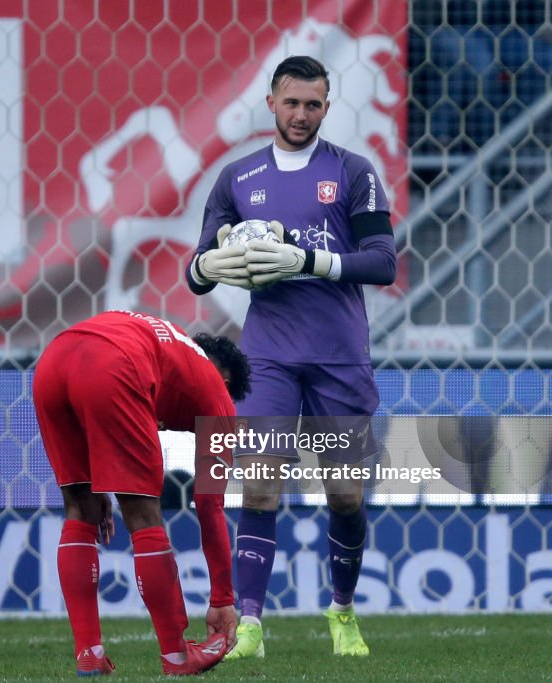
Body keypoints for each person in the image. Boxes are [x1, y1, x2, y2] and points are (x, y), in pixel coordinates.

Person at [186, 55, 398, 659]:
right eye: (291, 102)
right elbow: (198, 268)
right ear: (271, 102)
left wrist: (308, 261)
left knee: (346, 497)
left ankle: (343, 611)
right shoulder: (236, 178)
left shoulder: (354, 172)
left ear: (327, 108)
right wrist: (205, 265)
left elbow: (383, 261)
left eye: (313, 104)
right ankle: (249, 624)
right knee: (258, 488)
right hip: (267, 357)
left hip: (338, 356)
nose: (301, 114)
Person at [33, 310, 250, 676]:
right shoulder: (219, 398)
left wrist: (95, 480)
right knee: (144, 517)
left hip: (53, 360)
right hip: (115, 365)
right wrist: (223, 600)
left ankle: (89, 654)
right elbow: (210, 505)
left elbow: (95, 360)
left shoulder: (170, 343)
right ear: (224, 378)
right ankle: (177, 657)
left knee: (79, 509)